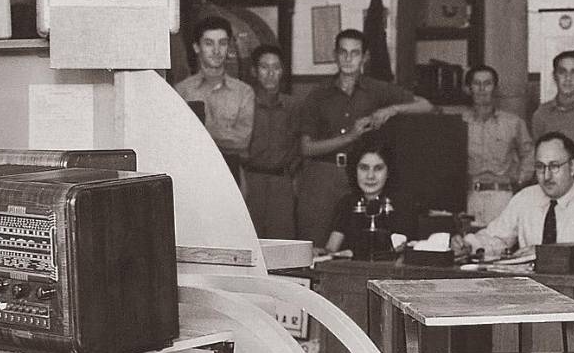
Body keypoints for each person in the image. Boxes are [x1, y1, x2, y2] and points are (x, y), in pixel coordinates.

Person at [293, 28, 432, 247]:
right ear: (335, 55)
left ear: (365, 57)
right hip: (322, 177)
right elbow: (306, 148)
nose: (348, 59)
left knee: (362, 242)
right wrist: (350, 137)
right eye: (343, 52)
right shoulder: (318, 95)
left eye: (355, 53)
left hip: (362, 178)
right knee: (314, 245)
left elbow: (426, 105)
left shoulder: (377, 90)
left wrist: (392, 109)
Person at [462, 133, 574, 261]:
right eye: (540, 167)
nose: (546, 176)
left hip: (572, 287)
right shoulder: (525, 198)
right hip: (529, 284)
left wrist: (546, 253)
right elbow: (498, 237)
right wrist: (469, 245)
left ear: (572, 167)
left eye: (554, 166)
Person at [173, 15, 253, 170]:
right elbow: (177, 139)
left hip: (231, 171)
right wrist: (225, 136)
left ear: (228, 47)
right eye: (209, 43)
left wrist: (198, 132)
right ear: (197, 47)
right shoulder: (181, 91)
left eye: (222, 43)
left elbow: (242, 141)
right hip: (191, 169)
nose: (216, 50)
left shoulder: (244, 92)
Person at [241, 42, 300, 239]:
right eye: (264, 67)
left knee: (282, 240)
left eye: (276, 67)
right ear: (254, 71)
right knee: (250, 238)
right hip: (250, 180)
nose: (270, 74)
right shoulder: (244, 103)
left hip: (281, 182)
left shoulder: (292, 106)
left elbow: (299, 145)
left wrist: (293, 179)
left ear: (282, 71)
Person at [462, 63, 530, 228]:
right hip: (469, 196)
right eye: (476, 83)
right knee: (470, 239)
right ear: (469, 88)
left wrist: (519, 181)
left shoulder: (513, 122)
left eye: (487, 83)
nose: (482, 89)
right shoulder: (460, 122)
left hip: (502, 196)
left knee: (501, 239)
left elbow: (529, 155)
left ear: (495, 88)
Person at [323, 140, 418, 257]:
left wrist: (354, 254)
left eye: (378, 168)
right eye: (364, 168)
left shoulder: (402, 205)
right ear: (354, 170)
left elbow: (401, 250)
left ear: (389, 172)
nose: (370, 176)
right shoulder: (347, 203)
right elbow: (331, 248)